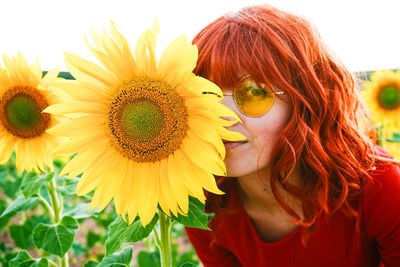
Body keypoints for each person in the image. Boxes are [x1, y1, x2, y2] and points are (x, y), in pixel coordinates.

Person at [184, 4, 400, 267]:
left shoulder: (376, 186)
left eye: (254, 92)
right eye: (206, 95)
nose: (222, 117)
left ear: (306, 100)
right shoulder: (201, 206)